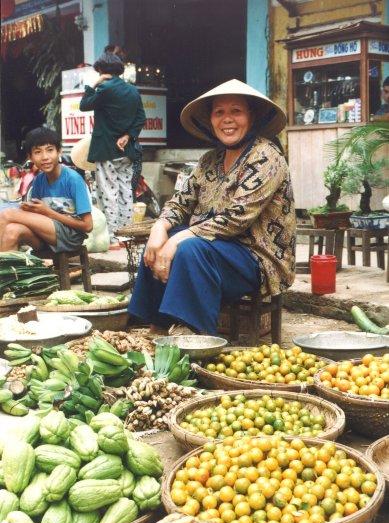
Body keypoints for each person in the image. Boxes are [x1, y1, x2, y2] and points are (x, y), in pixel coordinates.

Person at [128, 79, 296, 336]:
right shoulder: (209, 160)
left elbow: (237, 218)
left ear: (251, 117)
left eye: (236, 111)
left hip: (257, 258)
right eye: (220, 112)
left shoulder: (267, 156)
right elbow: (180, 202)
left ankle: (194, 334)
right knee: (160, 244)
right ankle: (158, 326)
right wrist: (160, 227)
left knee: (188, 247)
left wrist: (179, 239)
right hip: (215, 250)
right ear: (211, 120)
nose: (227, 119)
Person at [79, 52, 146, 245]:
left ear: (101, 70)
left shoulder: (105, 88)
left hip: (106, 148)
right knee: (125, 190)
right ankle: (126, 233)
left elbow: (84, 105)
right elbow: (140, 118)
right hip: (126, 149)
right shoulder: (132, 91)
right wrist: (127, 136)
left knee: (108, 192)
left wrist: (95, 82)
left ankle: (113, 234)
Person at [0, 127, 92, 252]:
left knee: (7, 214)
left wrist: (48, 212)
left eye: (50, 150)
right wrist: (28, 209)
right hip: (46, 236)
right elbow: (38, 216)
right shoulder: (38, 180)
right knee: (12, 231)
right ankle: (8, 271)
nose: (45, 157)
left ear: (59, 151)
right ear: (30, 157)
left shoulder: (73, 179)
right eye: (38, 152)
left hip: (70, 237)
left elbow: (88, 226)